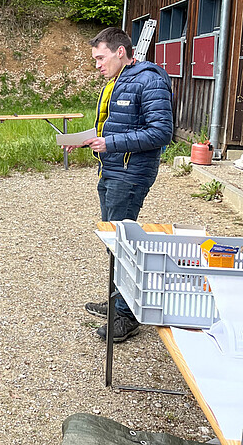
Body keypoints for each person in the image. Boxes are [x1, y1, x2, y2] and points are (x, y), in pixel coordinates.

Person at [69, 27, 173, 343]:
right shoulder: (121, 80)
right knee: (115, 242)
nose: (97, 65)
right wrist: (90, 139)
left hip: (130, 176)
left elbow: (161, 133)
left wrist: (111, 143)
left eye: (100, 58)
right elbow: (118, 126)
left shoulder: (150, 79)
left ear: (120, 52)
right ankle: (118, 301)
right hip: (112, 171)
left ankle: (126, 317)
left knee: (124, 245)